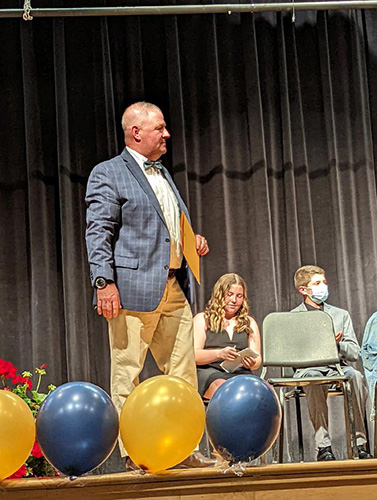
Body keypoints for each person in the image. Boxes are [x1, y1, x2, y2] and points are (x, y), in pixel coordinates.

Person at [85, 101, 212, 469]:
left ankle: (185, 448)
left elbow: (160, 225)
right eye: (160, 128)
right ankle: (134, 454)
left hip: (173, 288)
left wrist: (190, 239)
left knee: (184, 374)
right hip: (130, 289)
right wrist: (104, 281)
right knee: (127, 374)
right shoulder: (108, 172)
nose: (167, 134)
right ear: (136, 132)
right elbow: (99, 232)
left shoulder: (162, 173)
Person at [292, 265, 371, 461]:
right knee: (313, 378)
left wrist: (335, 345)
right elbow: (290, 355)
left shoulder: (340, 315)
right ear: (303, 290)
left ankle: (359, 443)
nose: (323, 287)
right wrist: (317, 344)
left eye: (324, 282)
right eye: (317, 283)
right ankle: (323, 446)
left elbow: (354, 352)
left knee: (355, 375)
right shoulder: (293, 318)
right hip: (309, 369)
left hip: (337, 367)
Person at [193, 273, 262, 400]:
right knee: (226, 389)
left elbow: (257, 360)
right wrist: (219, 354)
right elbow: (194, 356)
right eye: (229, 295)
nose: (234, 300)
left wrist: (251, 363)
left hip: (240, 372)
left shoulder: (249, 322)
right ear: (219, 295)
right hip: (210, 372)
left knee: (264, 393)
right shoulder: (203, 319)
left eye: (239, 296)